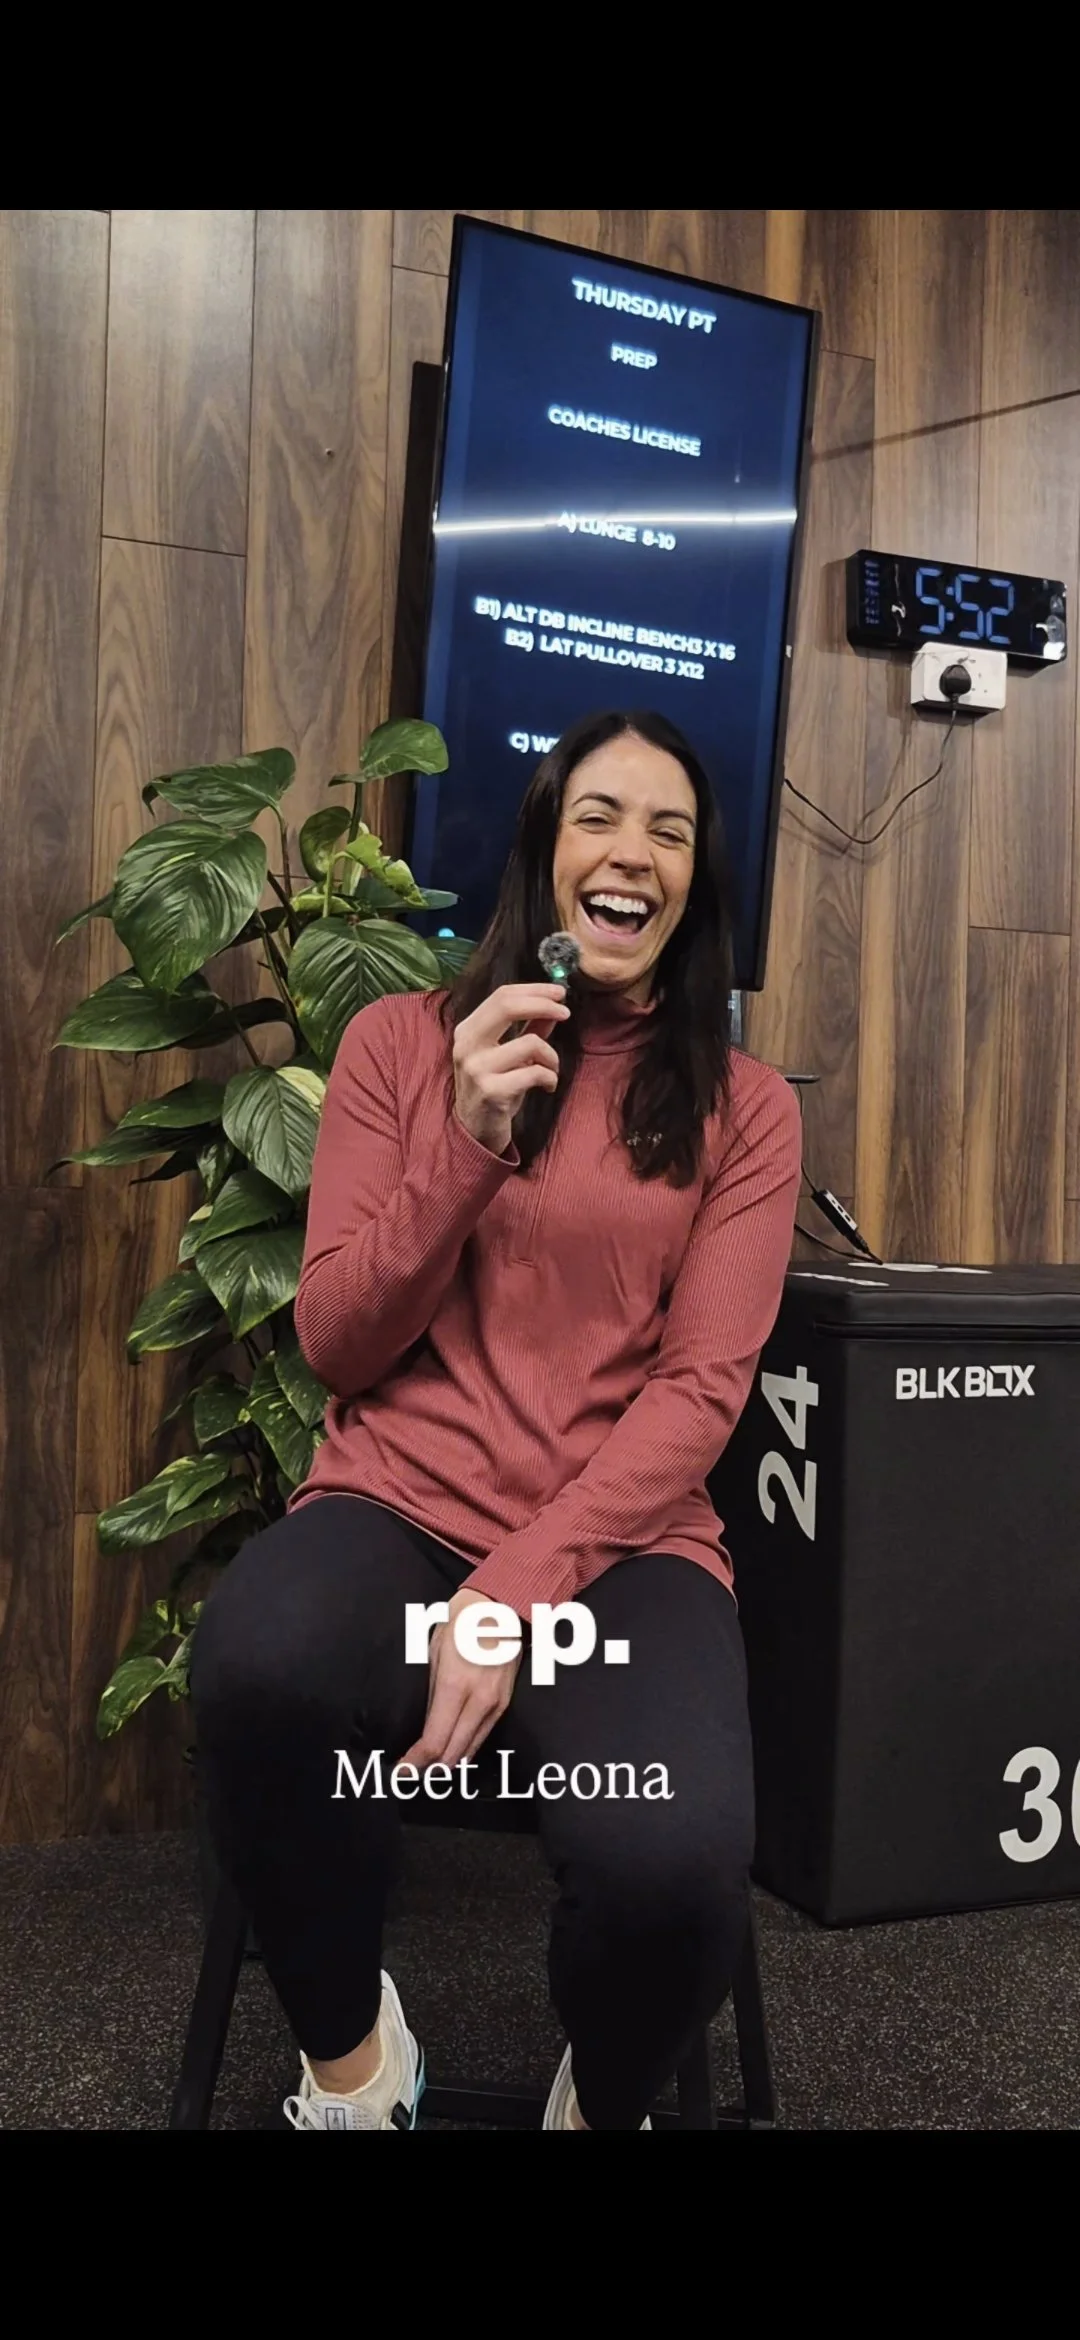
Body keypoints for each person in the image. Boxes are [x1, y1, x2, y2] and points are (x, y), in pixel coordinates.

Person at [190, 708, 802, 2132]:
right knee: (262, 1674)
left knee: (674, 1866)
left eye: (669, 831)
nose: (633, 853)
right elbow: (338, 1342)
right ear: (542, 849)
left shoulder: (747, 1109)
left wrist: (516, 1591)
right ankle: (358, 2071)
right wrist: (465, 1142)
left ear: (695, 883)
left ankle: (601, 2097)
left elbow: (702, 1389)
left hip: (618, 1552)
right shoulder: (400, 1046)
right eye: (600, 816)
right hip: (397, 1512)